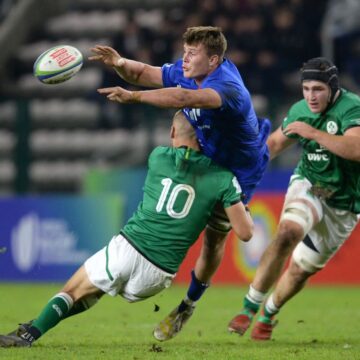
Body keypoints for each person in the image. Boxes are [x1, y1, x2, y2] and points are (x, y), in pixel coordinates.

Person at [0, 111, 253, 348]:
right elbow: (245, 233)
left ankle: (27, 335)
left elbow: (184, 163)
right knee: (92, 293)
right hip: (158, 277)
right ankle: (38, 324)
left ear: (172, 133)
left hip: (130, 248)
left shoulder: (158, 157)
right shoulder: (223, 178)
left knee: (71, 290)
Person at [89, 26, 270, 340]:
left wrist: (133, 97)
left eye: (192, 53)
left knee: (216, 240)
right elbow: (145, 72)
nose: (184, 59)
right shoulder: (188, 70)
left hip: (237, 169)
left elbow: (185, 97)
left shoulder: (227, 87)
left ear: (213, 60)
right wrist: (120, 63)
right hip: (204, 157)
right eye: (184, 51)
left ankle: (189, 303)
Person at [228, 57, 360, 340]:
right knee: (288, 231)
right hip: (310, 184)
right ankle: (249, 306)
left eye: (318, 90)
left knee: (300, 270)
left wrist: (313, 132)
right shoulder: (300, 109)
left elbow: (356, 149)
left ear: (333, 88)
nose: (311, 96)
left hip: (344, 204)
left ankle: (268, 314)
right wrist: (240, 174)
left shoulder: (352, 108)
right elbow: (274, 144)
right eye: (306, 89)